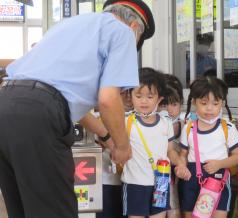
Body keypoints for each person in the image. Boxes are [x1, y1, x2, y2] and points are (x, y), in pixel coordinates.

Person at [0, 0, 155, 217]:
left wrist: (107, 135)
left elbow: (67, 97)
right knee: (54, 211)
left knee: (23, 209)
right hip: (39, 115)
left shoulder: (70, 25)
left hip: (6, 102)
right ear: (135, 29)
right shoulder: (123, 32)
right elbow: (109, 99)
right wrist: (122, 146)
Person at [121, 68, 190, 218]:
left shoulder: (165, 123)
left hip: (161, 183)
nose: (144, 101)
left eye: (150, 96)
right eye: (138, 96)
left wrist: (180, 164)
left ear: (159, 99)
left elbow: (170, 150)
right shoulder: (126, 122)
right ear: (130, 96)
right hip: (135, 184)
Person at [178, 76, 238, 218]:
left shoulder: (228, 128)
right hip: (192, 180)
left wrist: (220, 163)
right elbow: (183, 154)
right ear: (194, 102)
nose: (209, 108)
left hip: (218, 180)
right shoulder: (189, 128)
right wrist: (181, 167)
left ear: (222, 103)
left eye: (215, 103)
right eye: (204, 103)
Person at [95, 90, 133, 218]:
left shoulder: (138, 120)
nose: (128, 97)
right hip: (106, 182)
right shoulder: (99, 119)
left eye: (131, 93)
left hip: (132, 183)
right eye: (123, 93)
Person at [159, 74, 184, 218]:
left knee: (175, 209)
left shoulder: (186, 125)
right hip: (157, 176)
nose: (168, 109)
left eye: (174, 104)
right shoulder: (152, 123)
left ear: (181, 103)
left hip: (177, 177)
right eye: (164, 105)